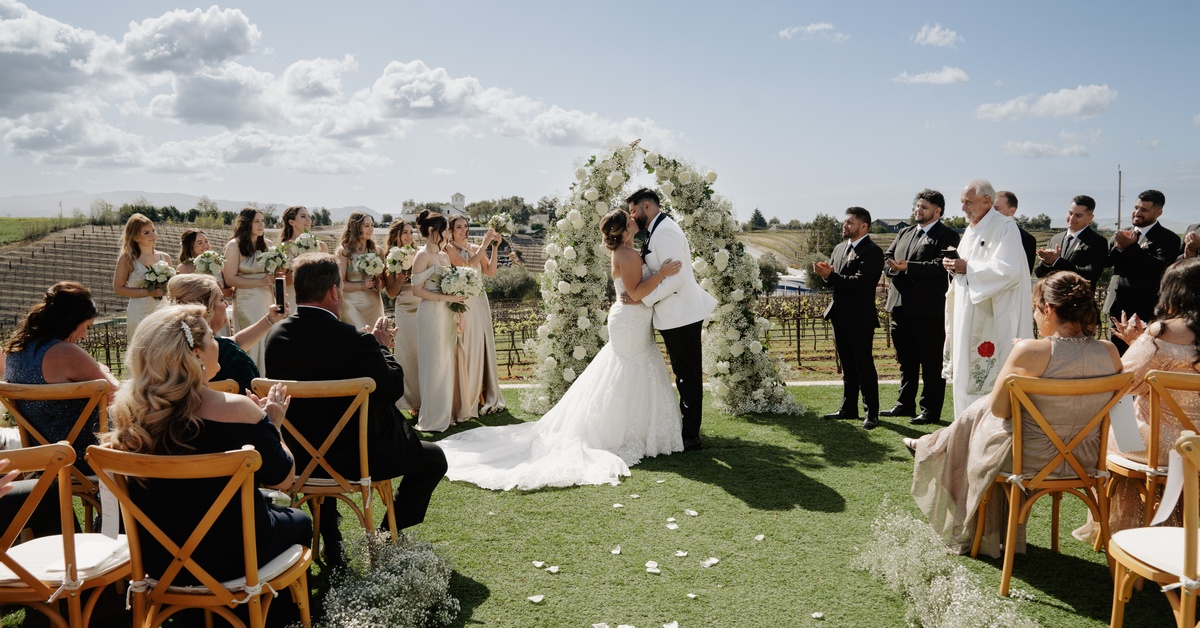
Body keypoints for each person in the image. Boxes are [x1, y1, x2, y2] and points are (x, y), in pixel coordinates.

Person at [438, 209, 684, 490]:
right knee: (626, 372)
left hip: (633, 320)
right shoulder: (627, 255)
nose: (633, 220)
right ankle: (622, 431)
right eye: (629, 221)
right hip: (630, 322)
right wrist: (662, 273)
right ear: (624, 231)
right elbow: (638, 293)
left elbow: (636, 291)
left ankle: (638, 428)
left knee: (626, 371)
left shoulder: (627, 250)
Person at [908, 271, 1121, 558]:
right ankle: (934, 442)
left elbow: (1000, 409)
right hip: (1087, 459)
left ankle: (934, 445)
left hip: (1029, 458)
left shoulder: (1030, 350)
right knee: (979, 413)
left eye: (1035, 308)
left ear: (1047, 309)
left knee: (982, 413)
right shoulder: (1109, 352)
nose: (1034, 315)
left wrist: (1019, 355)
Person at [103, 304, 311, 587]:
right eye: (213, 337)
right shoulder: (238, 410)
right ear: (197, 353)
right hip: (235, 557)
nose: (219, 343)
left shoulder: (129, 415)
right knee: (299, 520)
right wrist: (273, 425)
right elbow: (284, 478)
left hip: (156, 559)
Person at [264, 252, 447, 560]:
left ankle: (330, 536)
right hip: (358, 459)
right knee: (434, 458)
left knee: (317, 436)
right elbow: (392, 388)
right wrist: (380, 347)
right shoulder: (355, 340)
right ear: (335, 291)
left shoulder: (275, 337)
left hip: (300, 458)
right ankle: (390, 530)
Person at [1074, 257, 1200, 543]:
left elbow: (1123, 383)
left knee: (1116, 409)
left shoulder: (1162, 332)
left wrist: (1138, 344)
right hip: (1198, 447)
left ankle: (1122, 523)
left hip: (1164, 448)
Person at [626, 188, 717, 451]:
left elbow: (677, 278)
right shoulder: (657, 229)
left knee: (687, 376)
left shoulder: (664, 231)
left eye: (633, 211)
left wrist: (645, 299)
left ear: (646, 206)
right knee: (683, 375)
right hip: (672, 315)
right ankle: (687, 430)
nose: (632, 216)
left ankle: (690, 436)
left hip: (681, 315)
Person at [2, 282, 119, 469]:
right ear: (72, 320)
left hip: (39, 454)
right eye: (87, 327)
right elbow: (116, 393)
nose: (85, 337)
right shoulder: (65, 352)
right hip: (85, 454)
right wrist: (102, 369)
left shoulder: (15, 352)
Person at [943, 180, 1034, 418]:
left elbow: (1009, 270)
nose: (963, 208)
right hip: (966, 313)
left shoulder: (1005, 227)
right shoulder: (971, 230)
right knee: (964, 377)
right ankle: (964, 428)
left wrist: (968, 267)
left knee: (985, 374)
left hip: (992, 316)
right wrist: (954, 266)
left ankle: (988, 430)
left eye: (968, 202)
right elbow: (967, 268)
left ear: (986, 201)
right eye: (962, 202)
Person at [883, 190, 960, 425]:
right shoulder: (905, 232)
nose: (918, 210)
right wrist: (893, 268)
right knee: (906, 361)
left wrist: (910, 267)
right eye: (917, 206)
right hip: (900, 307)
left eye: (924, 207)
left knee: (931, 363)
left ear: (938, 211)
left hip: (929, 311)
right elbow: (887, 256)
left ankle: (930, 410)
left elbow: (941, 266)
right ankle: (904, 404)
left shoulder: (948, 235)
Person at [814, 207, 884, 429]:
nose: (845, 226)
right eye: (845, 222)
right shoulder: (839, 248)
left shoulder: (872, 251)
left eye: (850, 223)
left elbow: (861, 283)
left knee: (863, 365)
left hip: (860, 317)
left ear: (864, 226)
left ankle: (871, 413)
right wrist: (826, 275)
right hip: (840, 315)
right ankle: (848, 408)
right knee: (847, 364)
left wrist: (831, 276)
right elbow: (834, 280)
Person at [167, 273, 287, 393]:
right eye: (221, 299)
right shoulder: (232, 356)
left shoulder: (169, 347)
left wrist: (270, 319)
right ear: (207, 309)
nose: (226, 304)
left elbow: (233, 343)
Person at [1104, 189, 1181, 355]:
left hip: (1145, 307)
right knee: (1116, 353)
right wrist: (1119, 247)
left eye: (1144, 210)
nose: (1137, 213)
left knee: (1142, 353)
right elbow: (1107, 262)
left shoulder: (1168, 238)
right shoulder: (1123, 233)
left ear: (1158, 212)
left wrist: (1131, 247)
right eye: (1136, 208)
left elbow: (1160, 267)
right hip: (1117, 305)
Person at [444, 215, 505, 421]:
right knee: (468, 347)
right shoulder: (449, 249)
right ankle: (469, 395)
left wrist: (494, 247)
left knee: (482, 344)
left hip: (480, 302)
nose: (463, 230)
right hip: (464, 303)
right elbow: (468, 266)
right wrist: (484, 245)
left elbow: (491, 271)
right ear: (450, 230)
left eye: (465, 226)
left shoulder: (473, 246)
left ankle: (484, 394)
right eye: (458, 227)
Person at [409, 210, 463, 432]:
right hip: (431, 313)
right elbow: (416, 290)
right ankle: (433, 416)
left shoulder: (443, 255)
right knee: (434, 362)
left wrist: (457, 309)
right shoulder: (422, 256)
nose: (448, 234)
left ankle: (445, 413)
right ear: (433, 231)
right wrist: (444, 298)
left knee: (446, 362)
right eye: (445, 230)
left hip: (447, 313)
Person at [222, 208, 275, 371]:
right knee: (252, 340)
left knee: (268, 337)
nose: (261, 225)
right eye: (256, 221)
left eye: (263, 221)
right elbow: (230, 278)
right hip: (247, 300)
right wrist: (260, 281)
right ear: (247, 224)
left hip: (267, 298)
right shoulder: (234, 245)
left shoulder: (269, 245)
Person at [113, 213, 170, 344]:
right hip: (139, 312)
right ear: (136, 237)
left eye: (153, 230)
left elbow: (171, 285)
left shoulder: (165, 257)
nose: (153, 235)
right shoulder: (127, 259)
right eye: (146, 233)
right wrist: (148, 292)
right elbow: (118, 288)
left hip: (163, 310)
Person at [384, 220, 421, 416]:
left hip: (423, 304)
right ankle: (412, 402)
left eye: (410, 232)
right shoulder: (390, 258)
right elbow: (390, 293)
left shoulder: (419, 253)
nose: (409, 236)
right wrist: (398, 282)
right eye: (404, 232)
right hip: (405, 308)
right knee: (407, 354)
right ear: (396, 236)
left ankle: (427, 399)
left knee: (424, 353)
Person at [1033, 195, 1109, 287]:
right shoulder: (1055, 239)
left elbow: (1092, 274)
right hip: (1052, 298)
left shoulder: (1097, 241)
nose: (1072, 218)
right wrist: (1046, 263)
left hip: (1078, 299)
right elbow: (1040, 275)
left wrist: (1057, 261)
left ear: (1090, 218)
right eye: (1070, 213)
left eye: (1078, 215)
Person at [177, 228, 233, 335]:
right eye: (200, 243)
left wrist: (217, 290)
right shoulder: (183, 269)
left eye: (206, 241)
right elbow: (182, 298)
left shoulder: (217, 264)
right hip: (197, 318)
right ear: (190, 247)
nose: (205, 245)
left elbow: (230, 292)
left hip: (219, 316)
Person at [335, 212, 384, 330]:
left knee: (374, 341)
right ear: (356, 227)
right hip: (351, 305)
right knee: (359, 340)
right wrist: (362, 285)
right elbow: (339, 284)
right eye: (366, 225)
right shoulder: (344, 252)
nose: (371, 229)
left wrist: (378, 282)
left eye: (372, 225)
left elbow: (381, 282)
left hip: (374, 305)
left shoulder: (377, 251)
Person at [279, 205, 328, 311]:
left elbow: (327, 277)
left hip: (316, 299)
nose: (308, 220)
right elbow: (280, 282)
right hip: (293, 299)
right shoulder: (283, 248)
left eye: (309, 216)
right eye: (303, 216)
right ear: (292, 222)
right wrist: (301, 266)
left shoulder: (321, 246)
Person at [993, 190, 1036, 273]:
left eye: (997, 209)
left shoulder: (1027, 239)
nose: (992, 213)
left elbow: (1024, 274)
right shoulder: (984, 233)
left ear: (1012, 211)